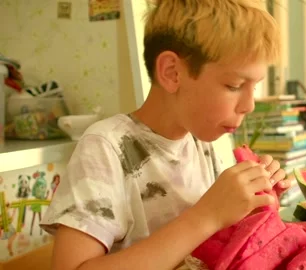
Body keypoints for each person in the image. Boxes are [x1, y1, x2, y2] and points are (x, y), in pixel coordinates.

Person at [40, 0, 290, 269]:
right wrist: (207, 216)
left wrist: (251, 208)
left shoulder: (210, 141)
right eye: (235, 85)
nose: (249, 105)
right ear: (172, 72)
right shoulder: (106, 148)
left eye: (255, 86)